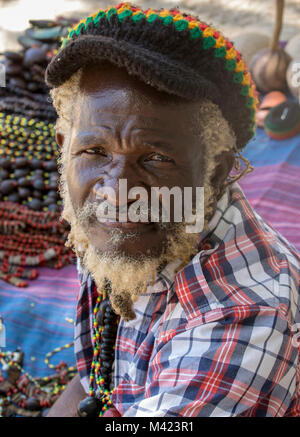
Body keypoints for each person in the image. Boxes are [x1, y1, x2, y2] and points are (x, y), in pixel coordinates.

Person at [45, 2, 300, 417]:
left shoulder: (241, 319)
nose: (116, 190)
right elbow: (93, 378)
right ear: (65, 150)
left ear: (216, 171)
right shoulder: (112, 223)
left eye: (156, 158)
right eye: (94, 150)